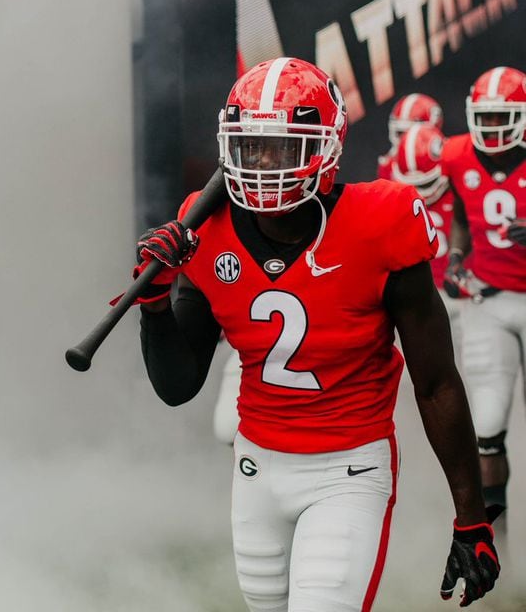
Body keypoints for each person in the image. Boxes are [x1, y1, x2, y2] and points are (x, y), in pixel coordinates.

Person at [135, 57, 500, 610]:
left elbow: (436, 383)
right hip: (256, 469)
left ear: (326, 148)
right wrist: (154, 302)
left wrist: (471, 518)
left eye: (283, 147)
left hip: (348, 469)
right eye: (251, 147)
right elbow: (177, 384)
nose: (264, 165)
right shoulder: (203, 226)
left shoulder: (382, 220)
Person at [442, 65, 526, 539]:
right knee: (488, 423)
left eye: (503, 117)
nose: (493, 128)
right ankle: (500, 549)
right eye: (486, 117)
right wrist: (456, 256)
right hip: (490, 301)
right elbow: (459, 209)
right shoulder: (456, 155)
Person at [391, 123, 463, 349]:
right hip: (417, 292)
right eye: (412, 185)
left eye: (426, 183)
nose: (420, 193)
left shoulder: (461, 175)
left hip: (459, 293)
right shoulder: (387, 182)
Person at [377, 93, 443, 180]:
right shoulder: (388, 167)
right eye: (399, 133)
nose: (405, 139)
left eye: (408, 132)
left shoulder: (449, 156)